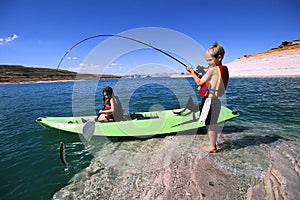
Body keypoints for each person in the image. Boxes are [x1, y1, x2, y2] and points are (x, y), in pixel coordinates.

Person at [186, 42, 229, 153]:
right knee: (211, 124)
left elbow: (199, 82)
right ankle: (213, 142)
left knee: (210, 125)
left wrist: (191, 71)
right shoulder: (221, 69)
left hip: (210, 101)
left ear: (219, 58)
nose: (209, 63)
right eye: (207, 61)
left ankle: (212, 147)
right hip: (216, 101)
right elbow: (212, 82)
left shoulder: (212, 70)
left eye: (210, 60)